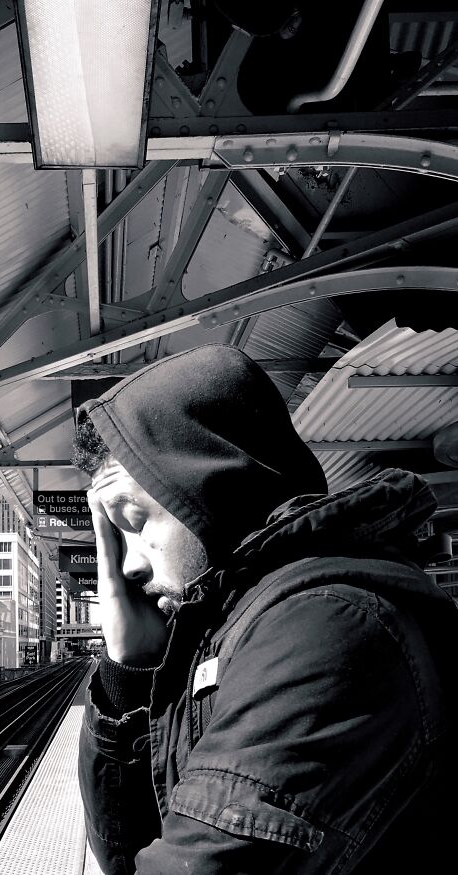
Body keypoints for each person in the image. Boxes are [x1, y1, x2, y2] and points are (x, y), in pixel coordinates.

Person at [72, 344, 457, 875]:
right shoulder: (236, 627)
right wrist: (129, 676)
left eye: (134, 521)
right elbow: (141, 850)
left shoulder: (324, 626)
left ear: (207, 484)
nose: (129, 567)